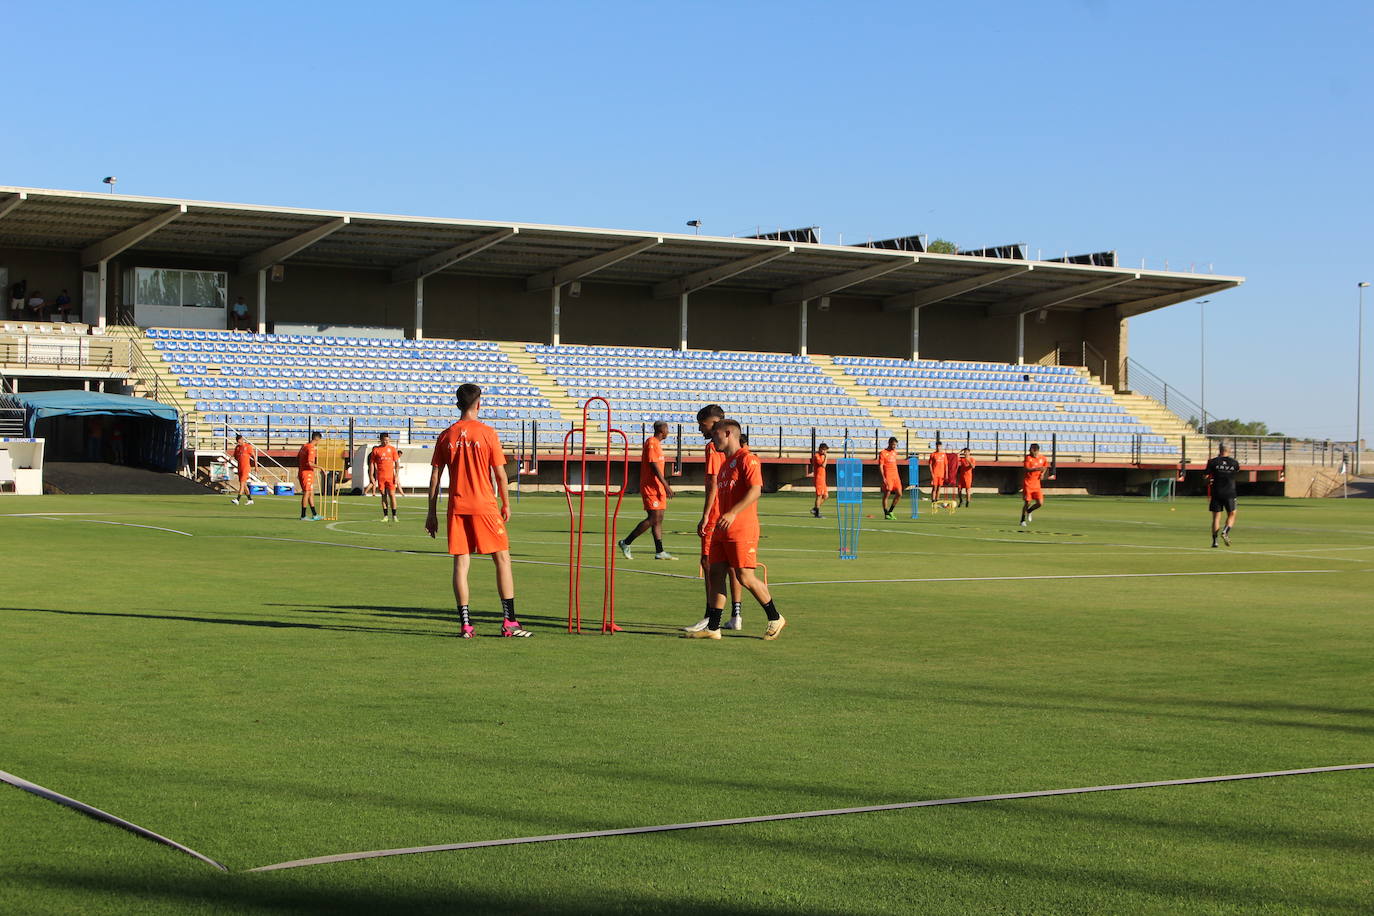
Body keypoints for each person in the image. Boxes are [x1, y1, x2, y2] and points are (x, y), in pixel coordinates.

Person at [425, 383, 530, 638]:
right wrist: (506, 503)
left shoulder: (446, 435)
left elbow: (435, 477)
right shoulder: (487, 433)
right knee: (502, 559)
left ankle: (466, 625)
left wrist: (431, 513)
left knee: (461, 563)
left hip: (457, 507)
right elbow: (501, 474)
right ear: (478, 403)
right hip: (484, 506)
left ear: (458, 403)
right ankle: (510, 623)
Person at [684, 419, 786, 641]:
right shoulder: (724, 464)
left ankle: (775, 617)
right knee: (716, 573)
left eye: (716, 435)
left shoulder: (748, 459)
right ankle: (713, 627)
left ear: (728, 433)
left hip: (742, 529)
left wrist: (732, 513)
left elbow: (756, 491)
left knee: (745, 576)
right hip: (722, 529)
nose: (713, 439)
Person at [683, 404, 744, 632]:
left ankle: (710, 615)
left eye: (703, 425)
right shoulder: (737, 447)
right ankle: (736, 615)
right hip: (733, 511)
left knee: (709, 563)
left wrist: (706, 514)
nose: (701, 430)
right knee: (733, 565)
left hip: (718, 513)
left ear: (716, 422)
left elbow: (713, 483)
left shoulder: (712, 448)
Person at [619, 421, 676, 560]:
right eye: (667, 428)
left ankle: (660, 551)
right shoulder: (651, 442)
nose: (668, 431)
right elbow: (653, 465)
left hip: (658, 488)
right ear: (661, 430)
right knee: (653, 518)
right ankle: (626, 542)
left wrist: (663, 486)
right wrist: (666, 484)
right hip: (650, 487)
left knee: (659, 519)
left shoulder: (658, 445)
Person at [1205, 443, 1241, 547]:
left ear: (1219, 450)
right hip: (1230, 492)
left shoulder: (1212, 462)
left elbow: (1205, 476)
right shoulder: (1234, 462)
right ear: (1229, 450)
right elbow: (1237, 471)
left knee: (1216, 518)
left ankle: (1215, 542)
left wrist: (1210, 479)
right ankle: (1225, 531)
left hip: (1216, 492)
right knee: (1232, 514)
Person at [368, 432, 402, 522]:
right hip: (381, 477)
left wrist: (397, 476)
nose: (386, 442)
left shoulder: (392, 449)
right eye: (384, 440)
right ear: (381, 440)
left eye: (388, 440)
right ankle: (385, 516)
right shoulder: (376, 450)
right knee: (383, 495)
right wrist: (371, 475)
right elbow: (372, 463)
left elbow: (397, 463)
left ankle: (394, 516)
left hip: (391, 477)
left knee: (392, 495)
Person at [1020, 443, 1050, 526]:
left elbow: (1045, 466)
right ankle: (1022, 520)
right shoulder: (1028, 458)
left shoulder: (1043, 458)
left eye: (1031, 450)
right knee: (1027, 502)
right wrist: (1037, 469)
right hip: (1028, 484)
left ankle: (1029, 511)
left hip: (1037, 485)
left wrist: (1043, 473)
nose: (1029, 451)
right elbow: (1026, 469)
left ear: (1036, 450)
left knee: (1040, 503)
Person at [297, 432, 323, 521]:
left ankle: (314, 514)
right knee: (307, 493)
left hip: (303, 471)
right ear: (317, 439)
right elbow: (310, 463)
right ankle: (303, 515)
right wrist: (321, 467)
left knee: (310, 493)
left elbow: (298, 457)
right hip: (306, 472)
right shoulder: (311, 448)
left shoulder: (304, 446)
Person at [878, 437, 902, 519]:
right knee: (887, 493)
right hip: (888, 476)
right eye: (894, 444)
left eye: (896, 445)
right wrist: (883, 477)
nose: (895, 446)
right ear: (889, 443)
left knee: (899, 494)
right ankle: (886, 513)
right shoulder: (883, 453)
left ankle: (890, 511)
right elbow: (881, 466)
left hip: (896, 476)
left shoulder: (895, 452)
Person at [231, 434, 256, 505]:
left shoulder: (248, 446)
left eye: (239, 441)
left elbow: (254, 456)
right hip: (240, 467)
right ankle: (250, 500)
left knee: (242, 484)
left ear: (241, 439)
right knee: (244, 484)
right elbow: (235, 456)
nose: (238, 443)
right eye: (237, 442)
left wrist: (256, 466)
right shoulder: (237, 447)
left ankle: (237, 499)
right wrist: (231, 458)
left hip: (246, 468)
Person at [809, 442, 829, 518]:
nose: (824, 452)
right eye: (823, 450)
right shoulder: (817, 456)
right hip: (818, 478)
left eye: (825, 450)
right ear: (820, 449)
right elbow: (823, 465)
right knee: (819, 495)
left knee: (826, 496)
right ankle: (817, 513)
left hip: (823, 479)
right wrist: (826, 457)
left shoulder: (822, 456)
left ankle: (815, 509)